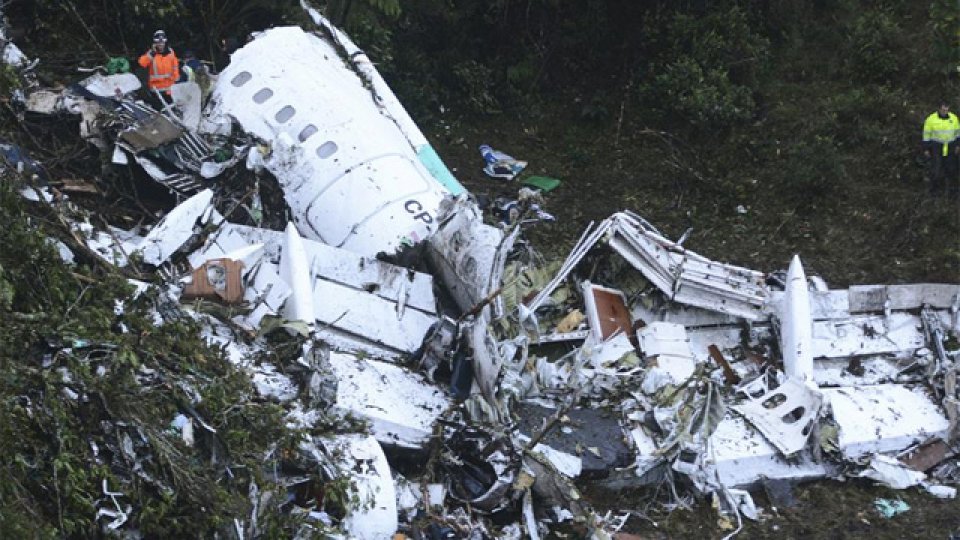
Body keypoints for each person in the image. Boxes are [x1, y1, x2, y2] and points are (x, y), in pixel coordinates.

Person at [922, 101, 960, 198]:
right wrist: (926, 148)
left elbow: (957, 133)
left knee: (952, 171)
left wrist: (958, 146)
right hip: (937, 148)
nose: (945, 112)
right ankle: (933, 192)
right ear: (939, 109)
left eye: (947, 110)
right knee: (936, 171)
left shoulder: (954, 118)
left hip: (951, 148)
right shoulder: (931, 119)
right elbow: (926, 135)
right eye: (943, 110)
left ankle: (952, 193)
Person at [138, 30, 179, 103]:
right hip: (156, 90)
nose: (160, 44)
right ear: (155, 43)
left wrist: (176, 81)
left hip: (169, 89)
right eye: (158, 43)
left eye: (162, 42)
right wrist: (152, 53)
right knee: (158, 111)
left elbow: (175, 68)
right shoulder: (151, 53)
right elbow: (142, 63)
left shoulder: (171, 53)